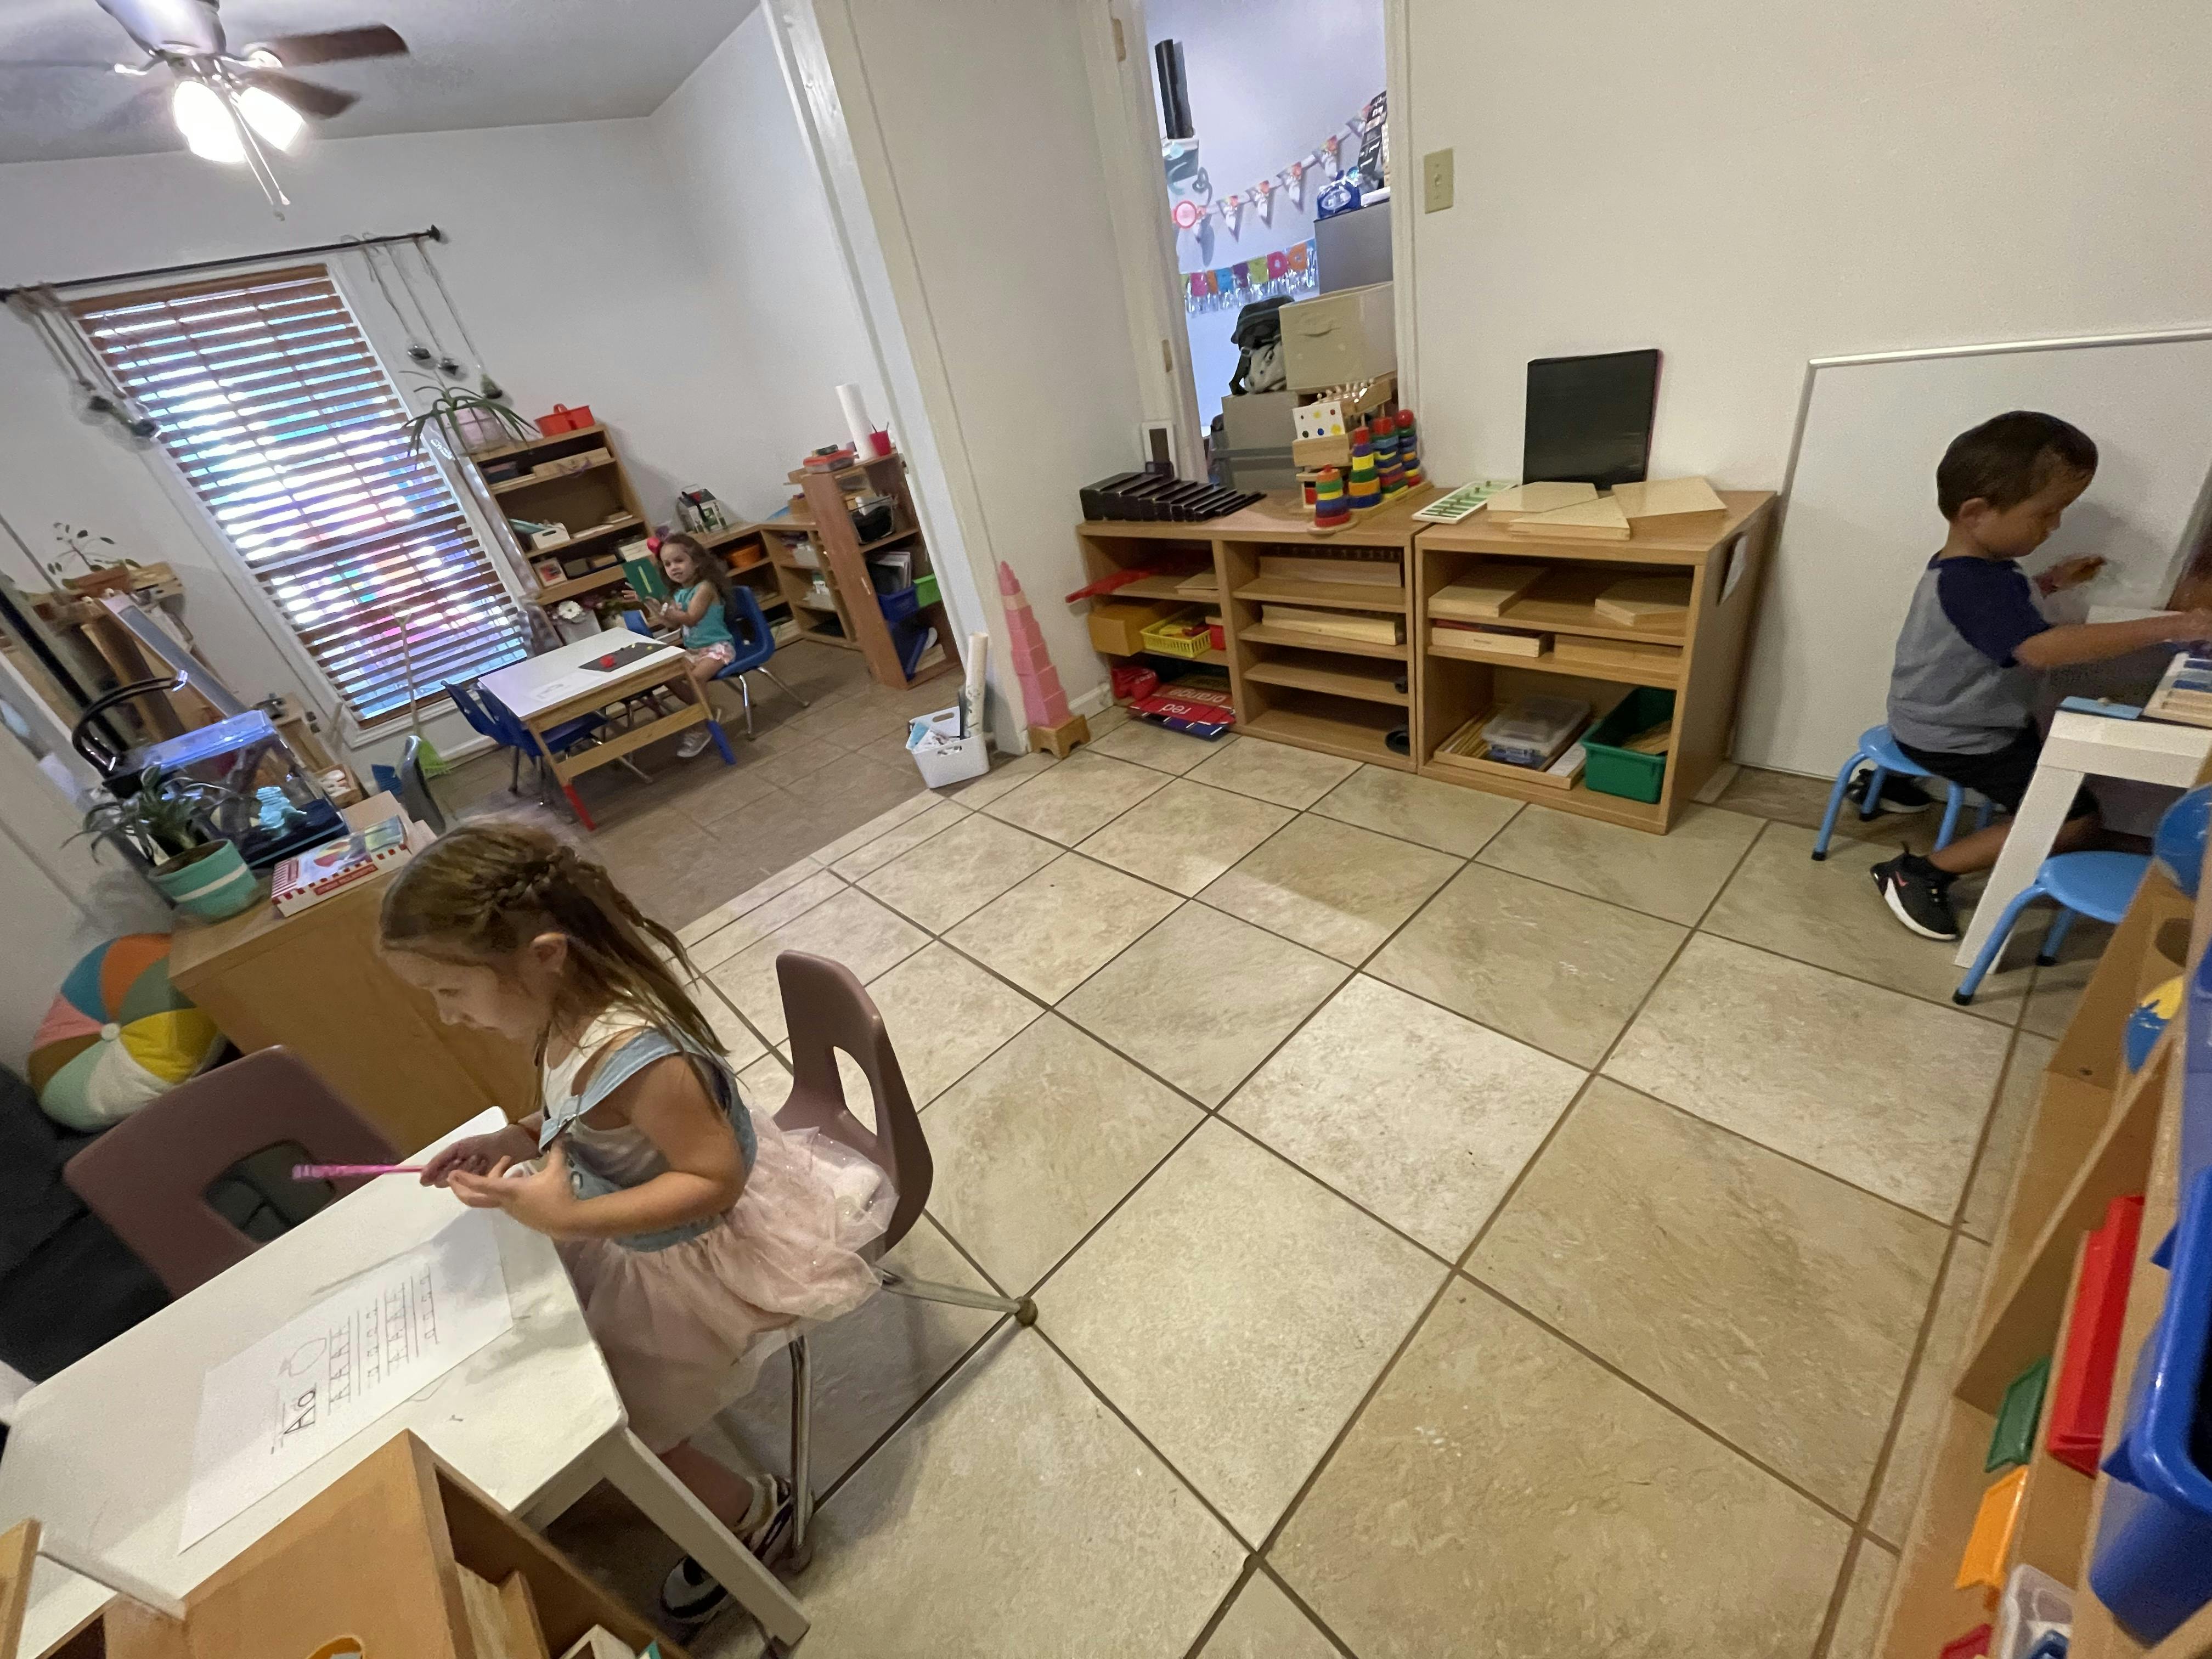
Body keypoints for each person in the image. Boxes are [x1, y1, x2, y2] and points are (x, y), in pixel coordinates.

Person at [380, 824, 890, 1622]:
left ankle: (756, 1513)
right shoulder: (561, 1013)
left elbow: (713, 1180)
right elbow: (582, 1115)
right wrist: (516, 1139)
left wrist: (574, 1215)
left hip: (705, 1255)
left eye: (451, 992)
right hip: (638, 1227)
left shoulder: (635, 1052)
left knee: (614, 1417)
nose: (449, 1017)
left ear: (544, 956)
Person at [1871, 410, 2212, 940]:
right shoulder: (1976, 584)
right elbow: (2042, 651)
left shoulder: (1975, 570)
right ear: (1976, 512)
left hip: (1934, 717)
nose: (2053, 526)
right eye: (2046, 513)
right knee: (2075, 821)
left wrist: (2049, 583)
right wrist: (2172, 625)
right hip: (1959, 736)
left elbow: (2002, 618)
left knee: (2045, 760)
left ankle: (1892, 780)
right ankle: (1919, 872)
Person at [649, 531, 738, 759]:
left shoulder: (705, 588)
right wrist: (652, 605)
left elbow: (691, 619)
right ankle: (707, 710)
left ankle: (702, 725)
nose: (673, 568)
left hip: (718, 647)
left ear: (697, 562)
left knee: (696, 678)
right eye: (668, 564)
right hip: (695, 651)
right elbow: (671, 623)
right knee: (667, 676)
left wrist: (669, 610)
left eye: (679, 561)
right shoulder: (680, 593)